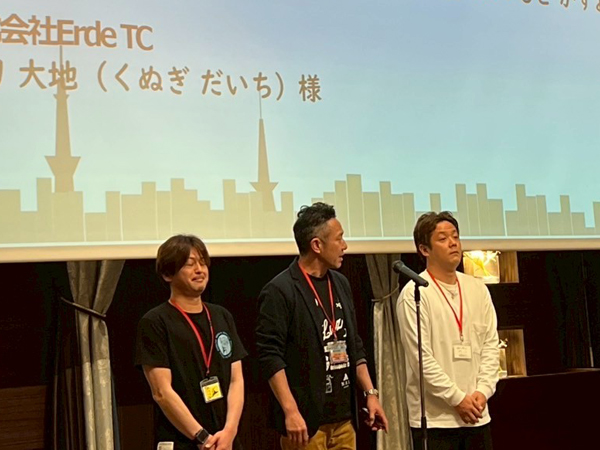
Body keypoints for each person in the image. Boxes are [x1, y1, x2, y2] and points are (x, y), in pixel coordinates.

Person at [256, 202, 388, 450]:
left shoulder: (340, 283)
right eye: (339, 239)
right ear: (317, 245)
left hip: (345, 420)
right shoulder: (280, 290)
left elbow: (354, 344)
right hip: (306, 424)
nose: (345, 246)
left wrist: (371, 394)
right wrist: (290, 411)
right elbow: (270, 357)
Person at [396, 212, 499, 450]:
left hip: (477, 414)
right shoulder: (415, 294)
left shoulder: (477, 288)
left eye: (455, 236)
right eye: (443, 238)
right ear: (424, 249)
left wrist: (483, 391)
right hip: (436, 421)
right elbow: (421, 360)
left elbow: (490, 346)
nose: (453, 243)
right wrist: (457, 399)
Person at [135, 234, 246, 450]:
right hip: (184, 441)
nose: (199, 270)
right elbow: (161, 392)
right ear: (168, 274)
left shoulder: (222, 316)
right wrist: (203, 438)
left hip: (225, 441)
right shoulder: (155, 322)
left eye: (203, 263)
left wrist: (230, 431)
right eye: (189, 264)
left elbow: (236, 380)